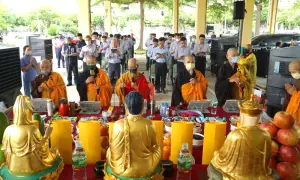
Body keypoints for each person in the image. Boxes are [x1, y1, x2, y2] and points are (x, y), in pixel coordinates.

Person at [208, 99, 276, 180]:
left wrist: (216, 154)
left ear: (242, 115)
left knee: (215, 157)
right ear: (258, 117)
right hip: (258, 174)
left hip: (236, 173)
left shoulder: (235, 135)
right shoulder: (266, 135)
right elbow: (266, 162)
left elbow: (224, 158)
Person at [104, 91, 162, 179]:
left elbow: (113, 148)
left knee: (109, 150)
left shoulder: (117, 125)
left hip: (119, 169)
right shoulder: (149, 124)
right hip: (146, 168)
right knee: (157, 147)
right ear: (143, 106)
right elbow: (154, 145)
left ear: (126, 107)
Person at [1, 95, 62, 178]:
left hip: (12, 168)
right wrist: (47, 135)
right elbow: (41, 149)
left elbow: (6, 154)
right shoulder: (32, 129)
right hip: (33, 168)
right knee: (55, 152)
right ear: (27, 111)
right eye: (30, 110)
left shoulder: (8, 130)